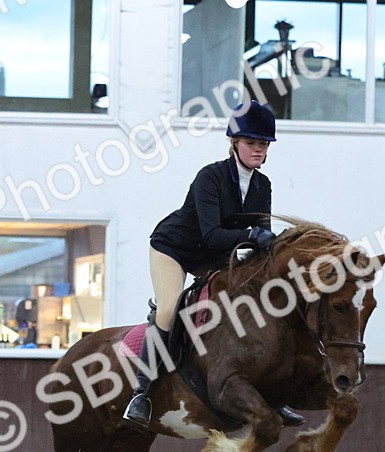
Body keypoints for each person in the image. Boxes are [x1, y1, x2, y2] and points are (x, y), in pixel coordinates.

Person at [122, 100, 304, 428]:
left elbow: (258, 238)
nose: (258, 149)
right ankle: (142, 393)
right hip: (175, 248)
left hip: (216, 258)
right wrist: (253, 234)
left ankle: (273, 398)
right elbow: (211, 234)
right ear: (234, 143)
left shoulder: (263, 185)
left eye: (263, 144)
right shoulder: (210, 177)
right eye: (251, 143)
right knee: (169, 309)